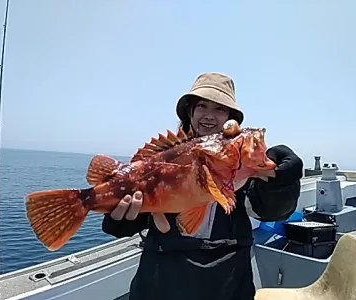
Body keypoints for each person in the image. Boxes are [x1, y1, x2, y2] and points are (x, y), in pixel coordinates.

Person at [102, 72, 303, 300]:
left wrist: (280, 183)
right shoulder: (168, 158)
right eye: (202, 106)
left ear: (231, 119)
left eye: (219, 109)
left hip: (227, 283)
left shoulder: (241, 165)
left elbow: (271, 211)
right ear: (190, 112)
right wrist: (120, 220)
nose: (209, 116)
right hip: (161, 283)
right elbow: (138, 209)